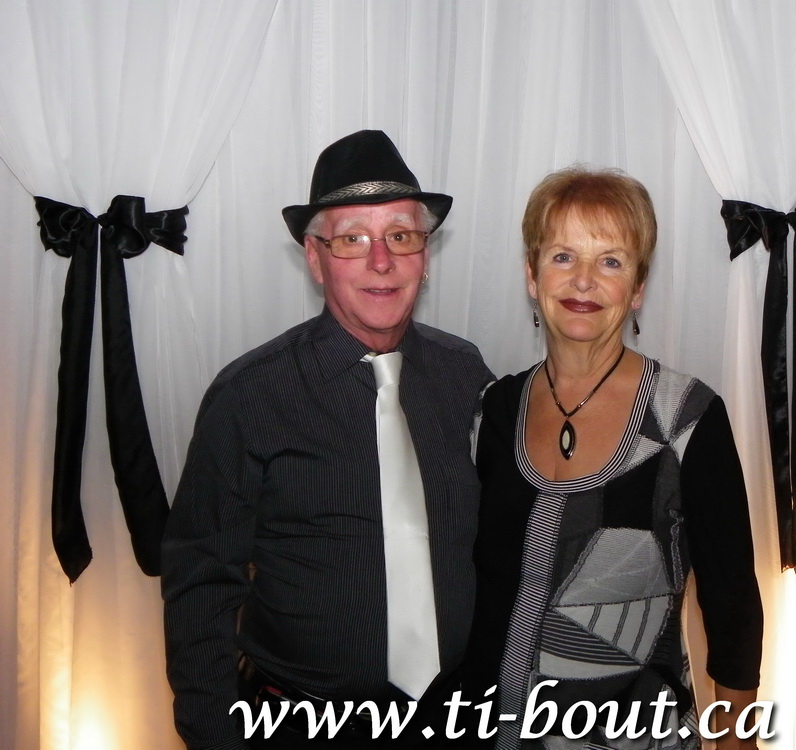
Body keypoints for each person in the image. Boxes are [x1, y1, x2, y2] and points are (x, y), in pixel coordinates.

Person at [162, 130, 494, 749]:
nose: (381, 261)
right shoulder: (248, 397)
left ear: (425, 256)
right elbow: (201, 588)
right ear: (314, 260)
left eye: (401, 236)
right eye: (352, 239)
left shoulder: (466, 375)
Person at [463, 167, 763, 750]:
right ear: (532, 275)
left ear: (638, 288)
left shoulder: (687, 419)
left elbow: (732, 604)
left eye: (610, 261)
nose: (584, 280)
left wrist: (736, 738)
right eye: (563, 257)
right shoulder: (492, 410)